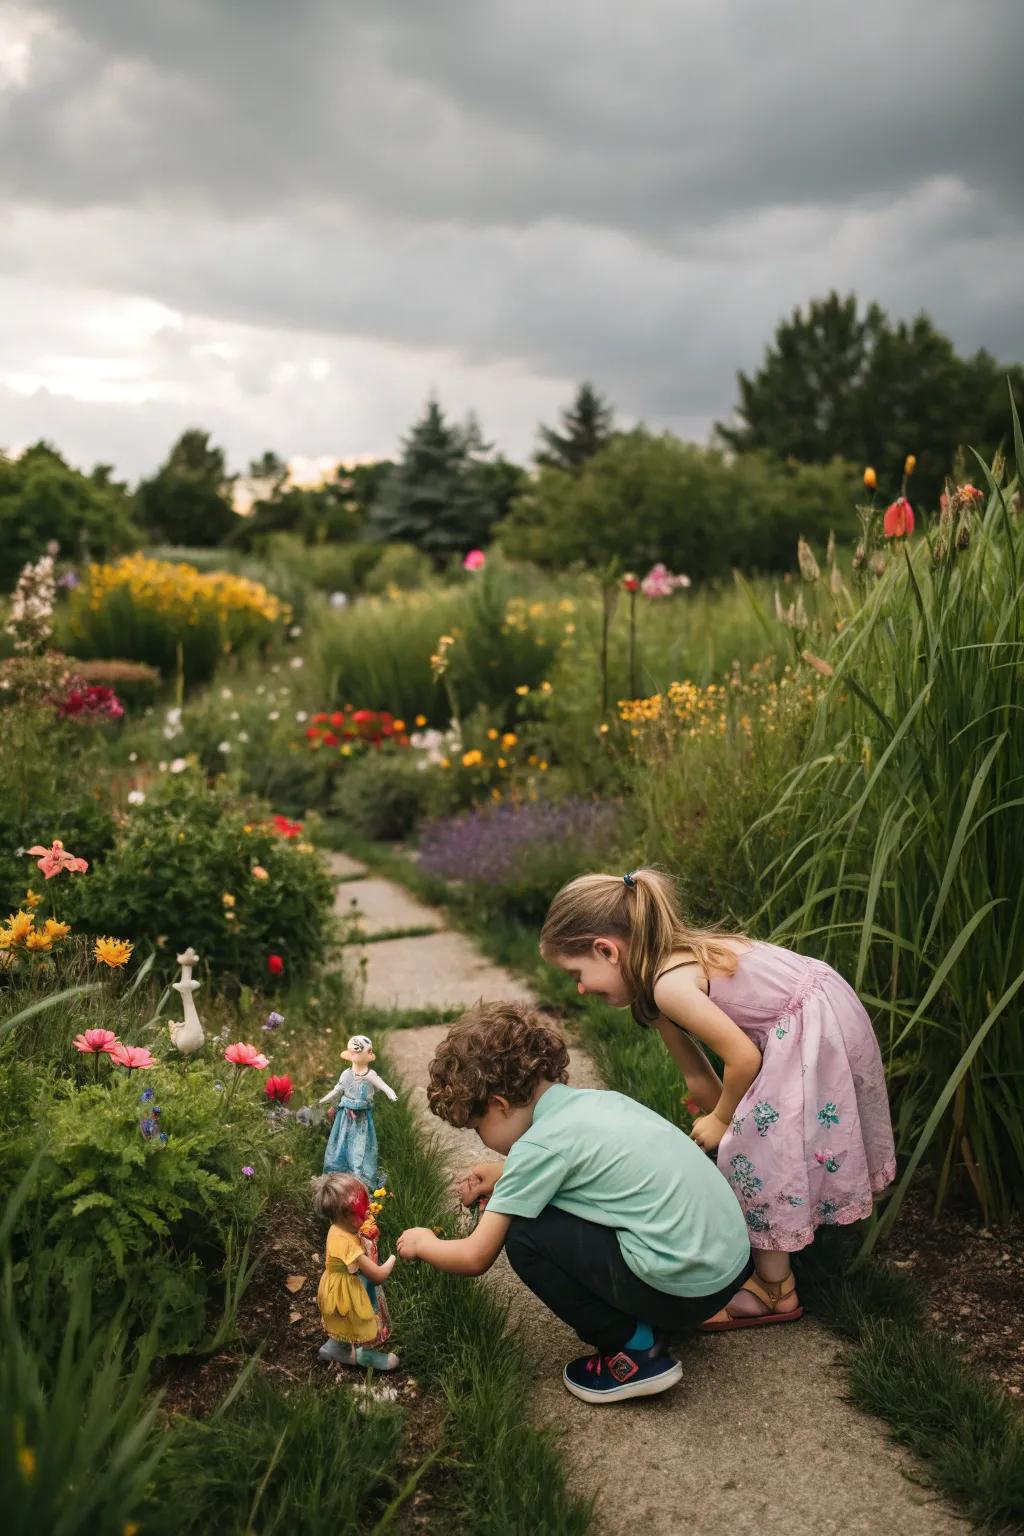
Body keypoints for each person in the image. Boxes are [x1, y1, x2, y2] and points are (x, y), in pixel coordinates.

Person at [539, 868, 897, 1328]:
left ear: (607, 950)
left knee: (759, 1152)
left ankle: (774, 1290)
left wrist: (726, 1117)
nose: (580, 988)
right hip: (822, 1010)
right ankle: (786, 1235)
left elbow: (742, 1060)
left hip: (812, 1029)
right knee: (750, 1136)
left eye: (577, 973)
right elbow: (698, 1076)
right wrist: (716, 1115)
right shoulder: (660, 984)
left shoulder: (670, 984)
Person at [395, 1002, 752, 1403]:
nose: (482, 1140)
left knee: (526, 1235)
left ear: (499, 1105)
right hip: (730, 1267)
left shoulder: (538, 1147)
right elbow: (583, 1171)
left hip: (685, 1289)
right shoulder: (601, 1102)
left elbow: (476, 1257)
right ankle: (663, 1308)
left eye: (478, 1128)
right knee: (563, 1209)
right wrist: (506, 1175)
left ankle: (635, 1351)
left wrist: (424, 1242)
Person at [312, 1171, 399, 1370]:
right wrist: (394, 1257)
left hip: (337, 1284)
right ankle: (367, 1355)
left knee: (341, 1322)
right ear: (346, 1215)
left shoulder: (339, 1227)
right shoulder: (345, 1243)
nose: (368, 1213)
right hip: (348, 1291)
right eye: (362, 1212)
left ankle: (337, 1348)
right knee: (363, 1321)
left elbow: (358, 1240)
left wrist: (368, 1238)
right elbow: (377, 1276)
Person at [320, 1033, 396, 1184]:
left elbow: (382, 1085)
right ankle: (338, 1175)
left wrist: (391, 1093)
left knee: (361, 1144)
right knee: (341, 1141)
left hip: (362, 1118)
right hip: (344, 1117)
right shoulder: (346, 1074)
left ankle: (359, 1176)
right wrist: (323, 1101)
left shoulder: (370, 1075)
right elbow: (337, 1091)